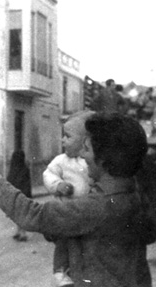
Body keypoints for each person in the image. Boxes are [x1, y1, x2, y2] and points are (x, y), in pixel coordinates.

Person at [0, 113, 155, 287]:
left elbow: (33, 214)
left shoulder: (96, 206)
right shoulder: (134, 197)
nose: (82, 155)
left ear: (105, 159)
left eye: (87, 149)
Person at [43, 111, 94, 286]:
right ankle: (60, 272)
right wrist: (58, 185)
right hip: (67, 211)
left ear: (85, 141)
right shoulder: (61, 161)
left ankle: (83, 275)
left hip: (87, 213)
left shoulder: (90, 162)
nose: (62, 140)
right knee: (64, 243)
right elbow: (48, 174)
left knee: (85, 247)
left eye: (67, 136)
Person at [7, 150, 32, 242]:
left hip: (18, 196)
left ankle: (22, 233)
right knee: (19, 215)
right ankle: (19, 232)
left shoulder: (14, 169)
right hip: (21, 195)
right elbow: (27, 184)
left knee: (19, 215)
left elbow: (9, 182)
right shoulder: (24, 169)